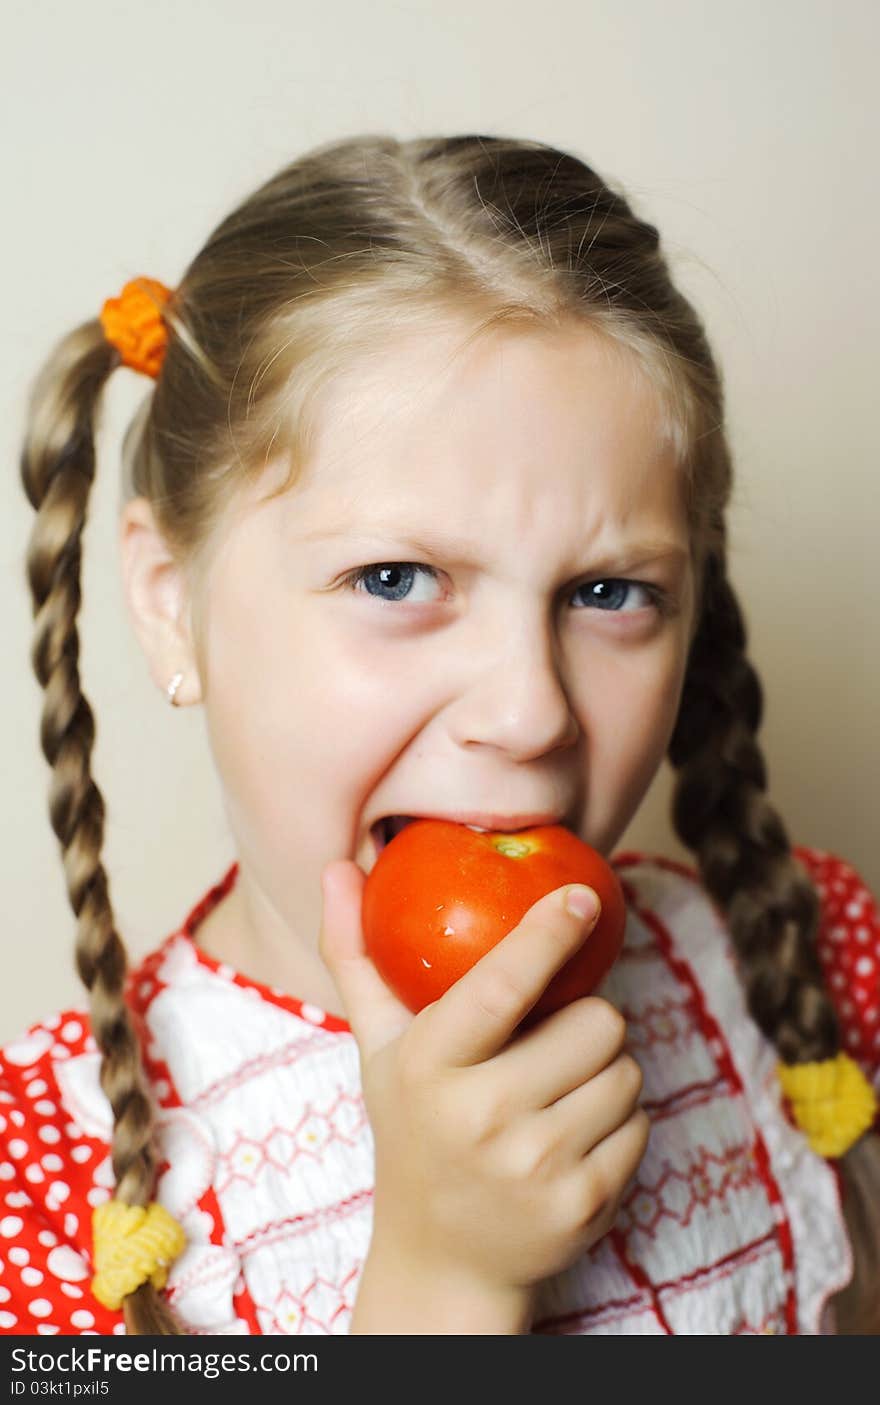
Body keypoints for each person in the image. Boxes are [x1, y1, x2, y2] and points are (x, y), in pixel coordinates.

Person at [5, 133, 878, 1338]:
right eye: (397, 577)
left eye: (609, 593)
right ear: (168, 599)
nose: (528, 712)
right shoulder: (51, 1182)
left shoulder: (805, 966)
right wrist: (445, 1281)